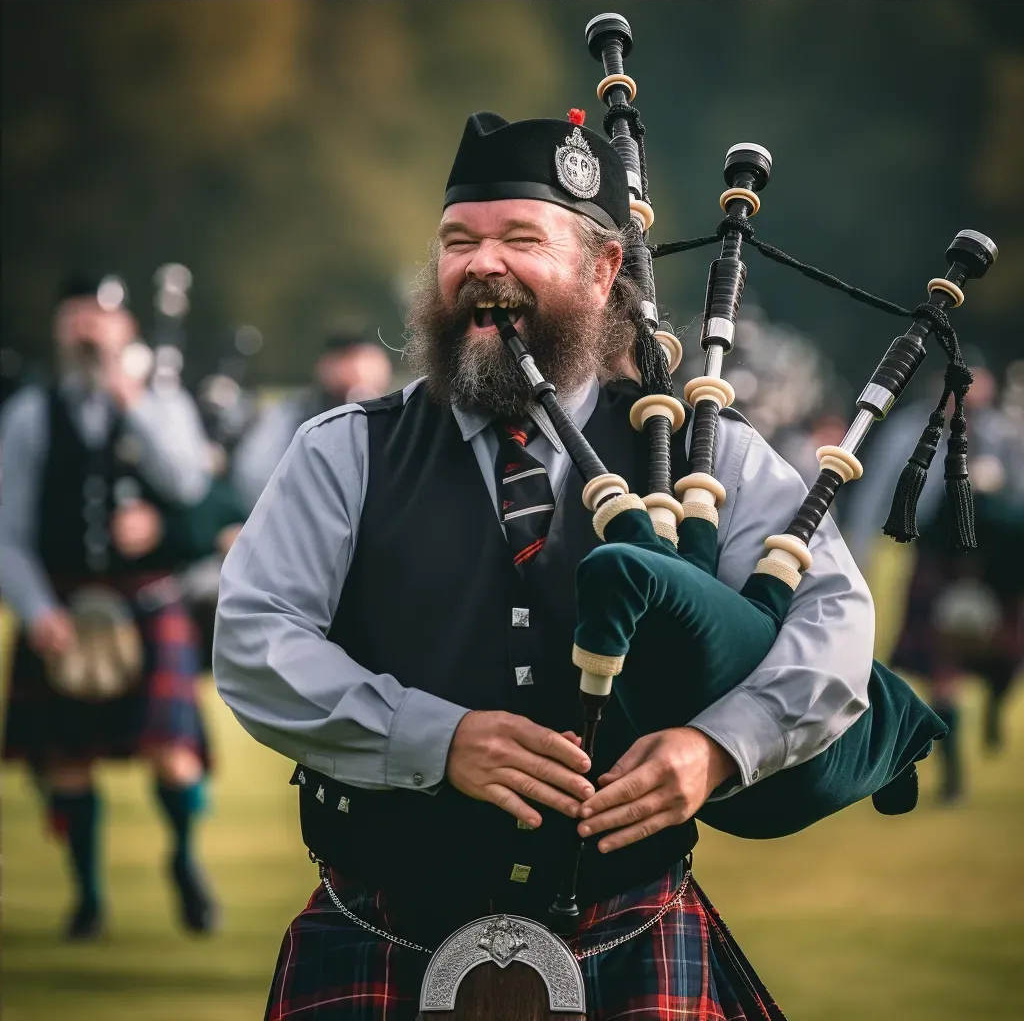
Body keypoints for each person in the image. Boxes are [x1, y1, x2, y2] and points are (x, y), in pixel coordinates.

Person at [214, 113, 874, 1019]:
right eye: (457, 242)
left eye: (521, 238)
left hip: (627, 931)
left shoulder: (695, 455)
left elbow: (834, 619)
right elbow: (254, 639)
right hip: (380, 928)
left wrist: (721, 748)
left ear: (604, 273)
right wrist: (433, 737)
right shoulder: (345, 453)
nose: (480, 265)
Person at [0, 273, 219, 939]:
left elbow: (187, 481)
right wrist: (37, 611)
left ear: (127, 331)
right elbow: (7, 530)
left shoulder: (159, 401)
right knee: (67, 761)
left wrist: (133, 403)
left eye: (100, 318)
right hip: (64, 606)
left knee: (173, 751)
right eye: (75, 319)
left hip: (147, 603)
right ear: (61, 330)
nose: (88, 330)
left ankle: (185, 862)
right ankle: (88, 899)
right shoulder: (32, 413)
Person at [844, 356, 1023, 800]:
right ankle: (954, 776)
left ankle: (997, 703)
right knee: (943, 670)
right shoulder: (909, 432)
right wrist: (857, 554)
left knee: (1008, 654)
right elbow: (874, 490)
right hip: (938, 560)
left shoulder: (1003, 434)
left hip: (999, 567)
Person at [232, 330, 393, 510]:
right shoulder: (292, 414)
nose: (354, 370)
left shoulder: (394, 418)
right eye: (345, 359)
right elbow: (255, 472)